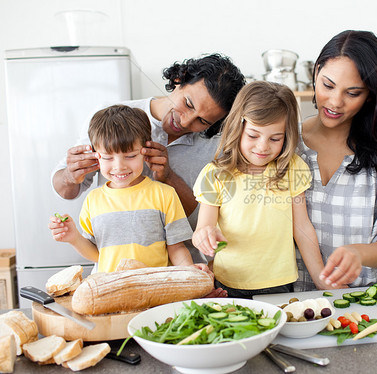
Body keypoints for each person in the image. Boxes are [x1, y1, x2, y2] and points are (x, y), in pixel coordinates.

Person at [51, 54, 245, 264]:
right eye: (188, 104)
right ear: (179, 80)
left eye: (203, 121)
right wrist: (71, 175)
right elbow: (66, 191)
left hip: (181, 269)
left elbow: (200, 223)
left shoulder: (216, 147)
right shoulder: (109, 120)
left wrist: (169, 177)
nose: (186, 121)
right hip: (116, 271)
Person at [295, 30, 377, 291]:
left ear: (370, 95)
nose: (334, 102)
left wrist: (359, 253)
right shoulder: (284, 143)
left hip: (363, 301)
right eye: (327, 85)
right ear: (316, 72)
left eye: (352, 93)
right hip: (294, 305)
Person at [192, 81, 336, 299]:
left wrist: (320, 278)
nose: (262, 147)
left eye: (275, 138)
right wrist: (204, 236)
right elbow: (203, 228)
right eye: (253, 135)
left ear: (286, 136)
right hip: (228, 282)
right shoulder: (215, 174)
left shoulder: (292, 168)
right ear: (237, 128)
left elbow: (302, 227)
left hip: (279, 283)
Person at [48, 105, 205, 274]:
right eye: (108, 157)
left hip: (155, 289)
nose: (119, 166)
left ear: (145, 151)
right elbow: (99, 255)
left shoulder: (164, 194)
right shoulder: (93, 201)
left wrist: (189, 270)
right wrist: (74, 238)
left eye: (130, 156)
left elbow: (176, 247)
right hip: (111, 290)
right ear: (96, 156)